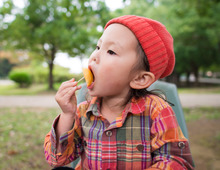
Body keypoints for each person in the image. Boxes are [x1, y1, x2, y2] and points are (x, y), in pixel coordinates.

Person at [44, 15, 194, 170]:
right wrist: (67, 115)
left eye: (110, 51)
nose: (94, 56)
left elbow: (176, 161)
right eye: (98, 47)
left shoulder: (157, 111)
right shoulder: (83, 112)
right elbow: (56, 158)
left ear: (140, 78)